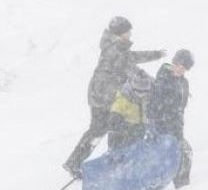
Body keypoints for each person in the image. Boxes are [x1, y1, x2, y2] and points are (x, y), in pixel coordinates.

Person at [63, 16, 165, 178]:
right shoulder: (116, 50)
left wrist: (156, 54)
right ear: (120, 33)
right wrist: (155, 84)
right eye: (127, 31)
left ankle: (75, 163)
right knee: (113, 126)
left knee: (100, 128)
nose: (130, 34)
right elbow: (132, 69)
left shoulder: (114, 46)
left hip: (99, 92)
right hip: (104, 95)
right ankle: (104, 162)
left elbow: (131, 58)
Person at [147, 49, 194, 188]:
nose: (182, 70)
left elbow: (181, 106)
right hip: (163, 126)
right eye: (180, 65)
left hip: (176, 126)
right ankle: (179, 185)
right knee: (182, 153)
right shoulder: (163, 79)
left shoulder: (183, 82)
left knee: (185, 153)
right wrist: (155, 125)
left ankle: (181, 185)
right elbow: (154, 105)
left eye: (185, 68)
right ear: (175, 62)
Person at [106, 67, 153, 150]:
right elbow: (114, 117)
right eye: (138, 92)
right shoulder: (124, 98)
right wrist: (119, 126)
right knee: (121, 134)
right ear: (132, 88)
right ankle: (115, 152)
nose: (141, 95)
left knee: (140, 132)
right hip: (124, 132)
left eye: (144, 92)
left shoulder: (148, 99)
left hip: (140, 130)